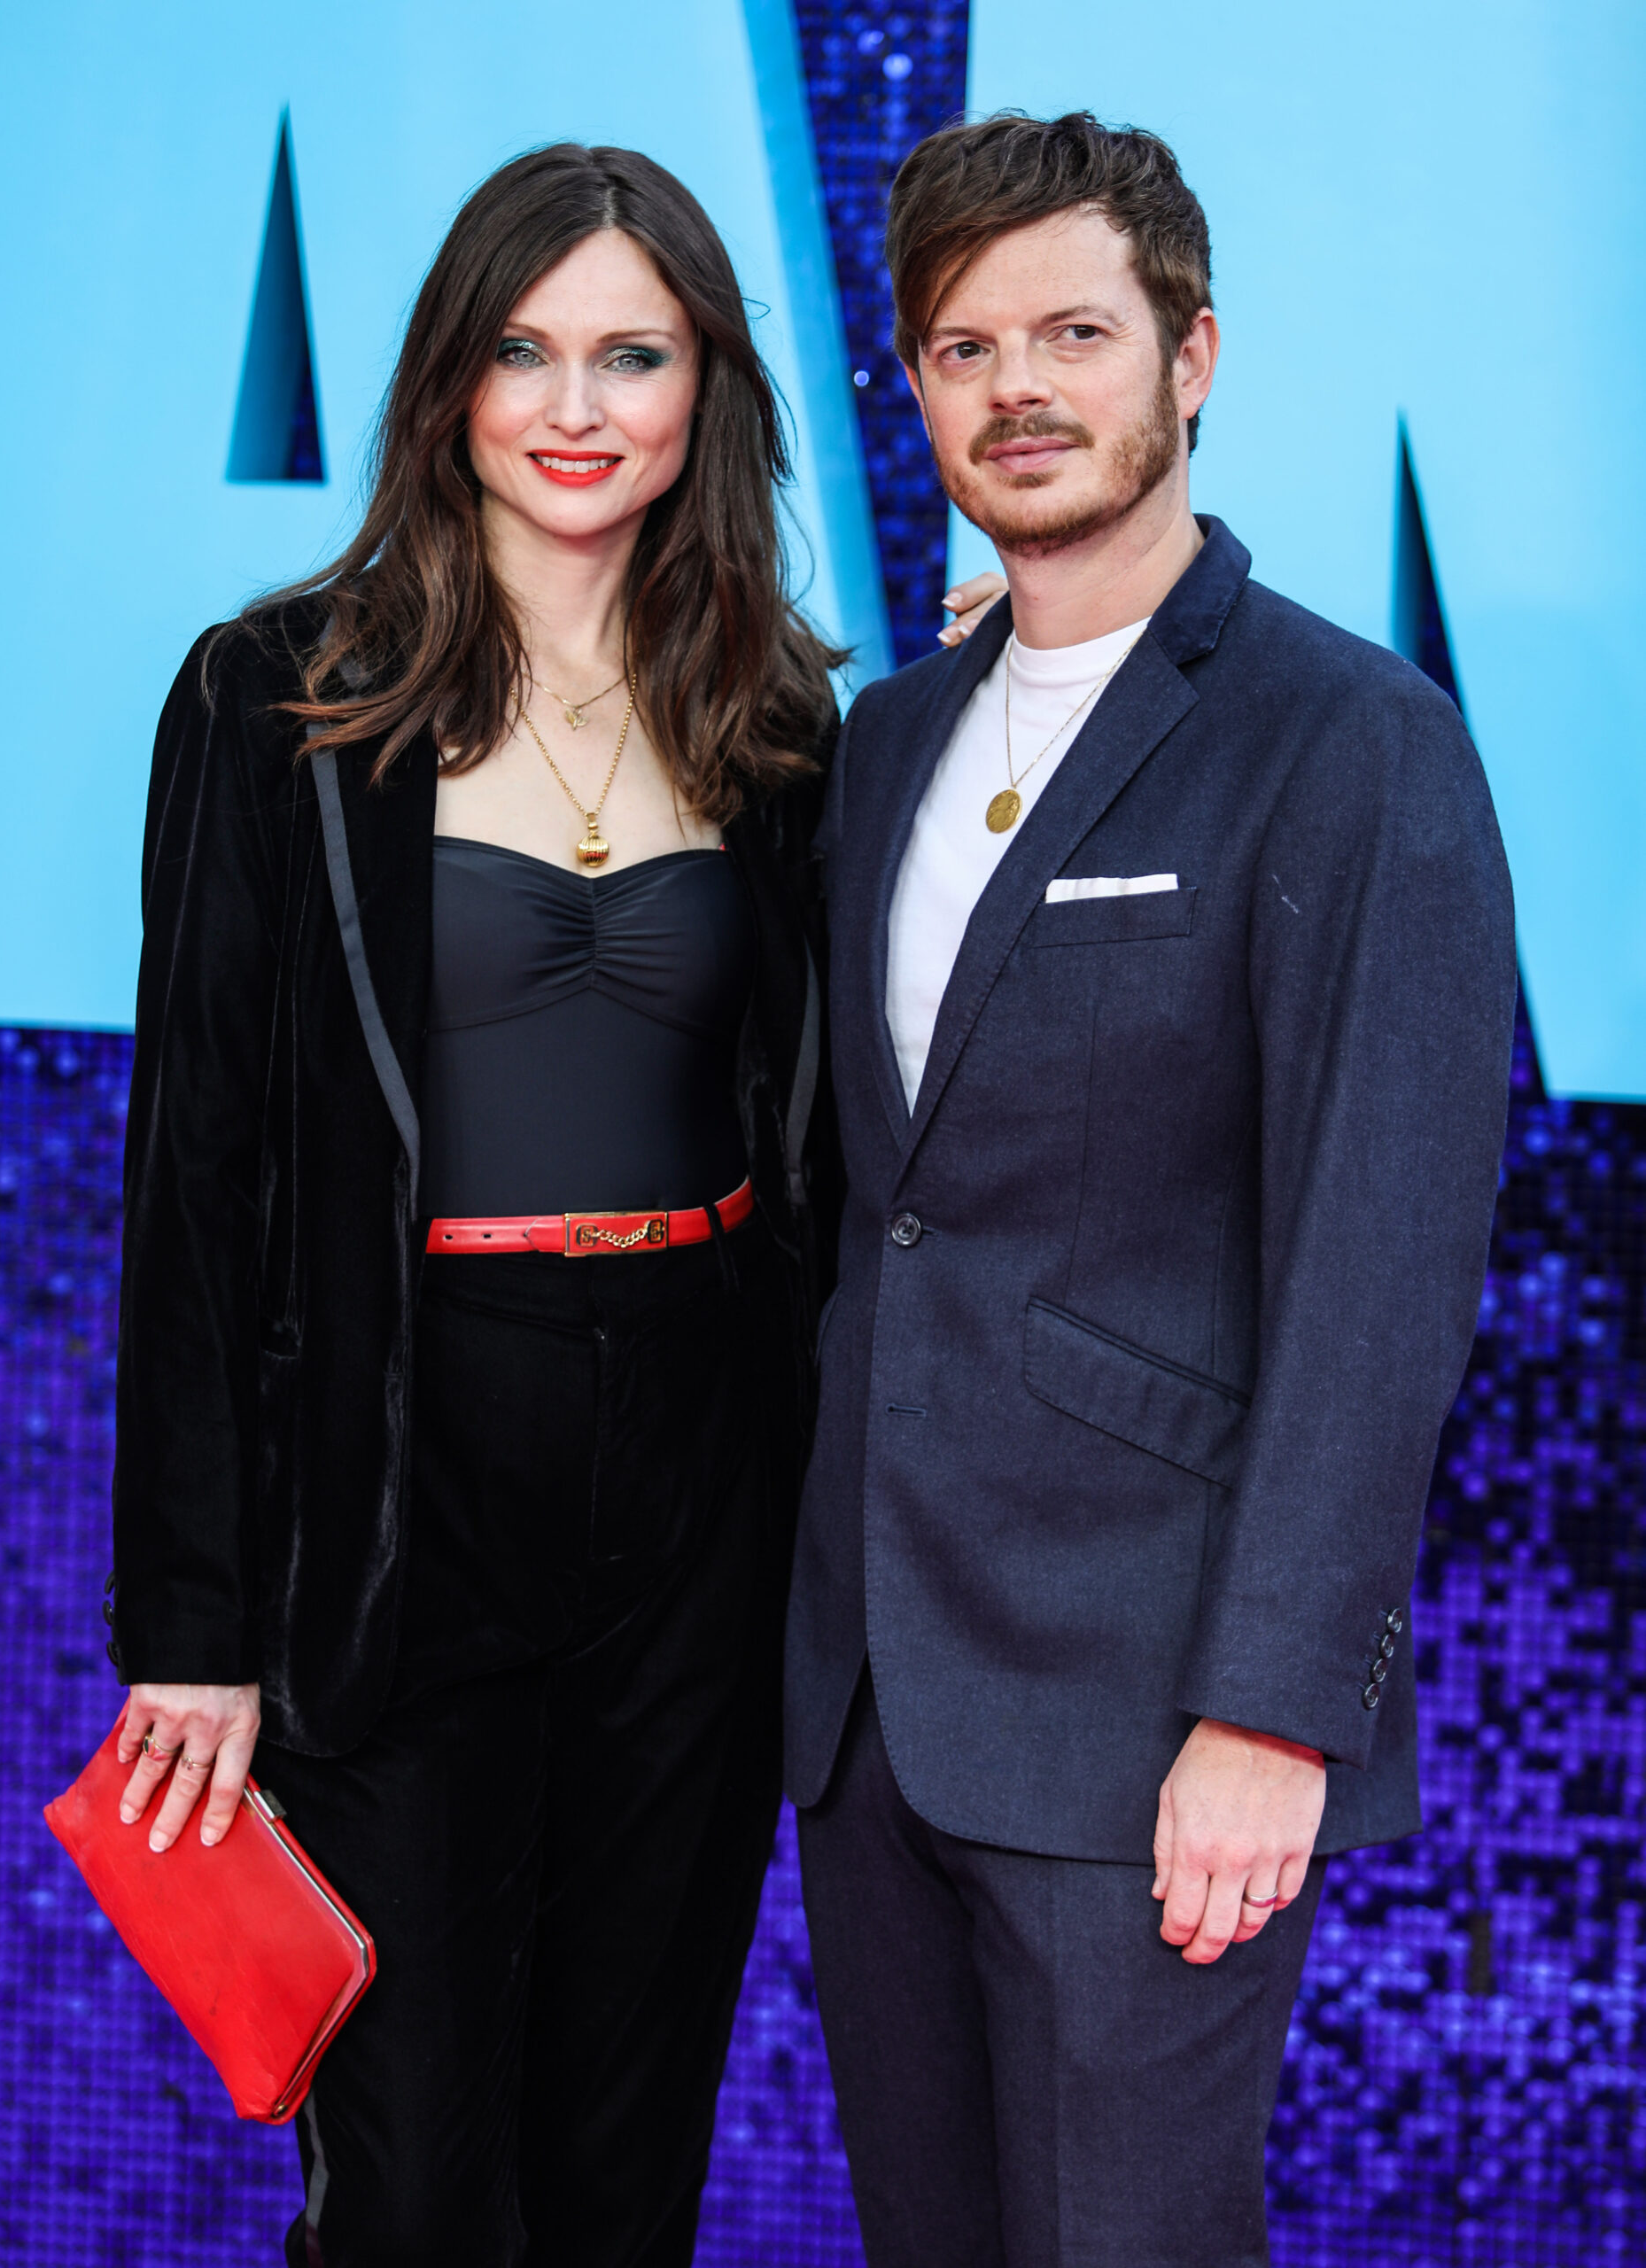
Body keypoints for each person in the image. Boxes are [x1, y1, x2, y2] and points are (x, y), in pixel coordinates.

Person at [105, 143, 851, 2268]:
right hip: (402, 1477)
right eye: (523, 351)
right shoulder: (271, 695)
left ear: (707, 388)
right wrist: (189, 1626)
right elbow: (196, 1177)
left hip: (697, 1481)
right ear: (447, 379)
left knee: (623, 2164)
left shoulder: (781, 717)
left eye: (634, 353)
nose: (575, 405)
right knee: (417, 2183)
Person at [785, 110, 1517, 2267]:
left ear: (1190, 355)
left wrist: (1273, 1706)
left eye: (1073, 332)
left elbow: (1379, 1264)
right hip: (870, 1709)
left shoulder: (1348, 738)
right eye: (961, 346)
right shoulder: (885, 742)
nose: (1016, 386)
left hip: (1145, 1718)